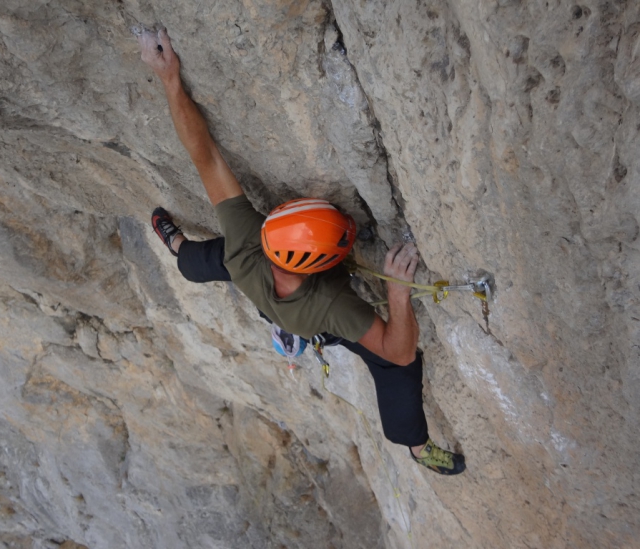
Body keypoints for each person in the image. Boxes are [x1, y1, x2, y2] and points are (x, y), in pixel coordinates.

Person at [137, 28, 465, 475]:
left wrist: (169, 78)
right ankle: (415, 445)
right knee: (395, 370)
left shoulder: (248, 240)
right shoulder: (332, 306)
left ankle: (174, 242)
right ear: (326, 268)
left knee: (196, 263)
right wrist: (399, 296)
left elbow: (206, 157)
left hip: (251, 273)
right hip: (305, 318)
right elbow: (399, 351)